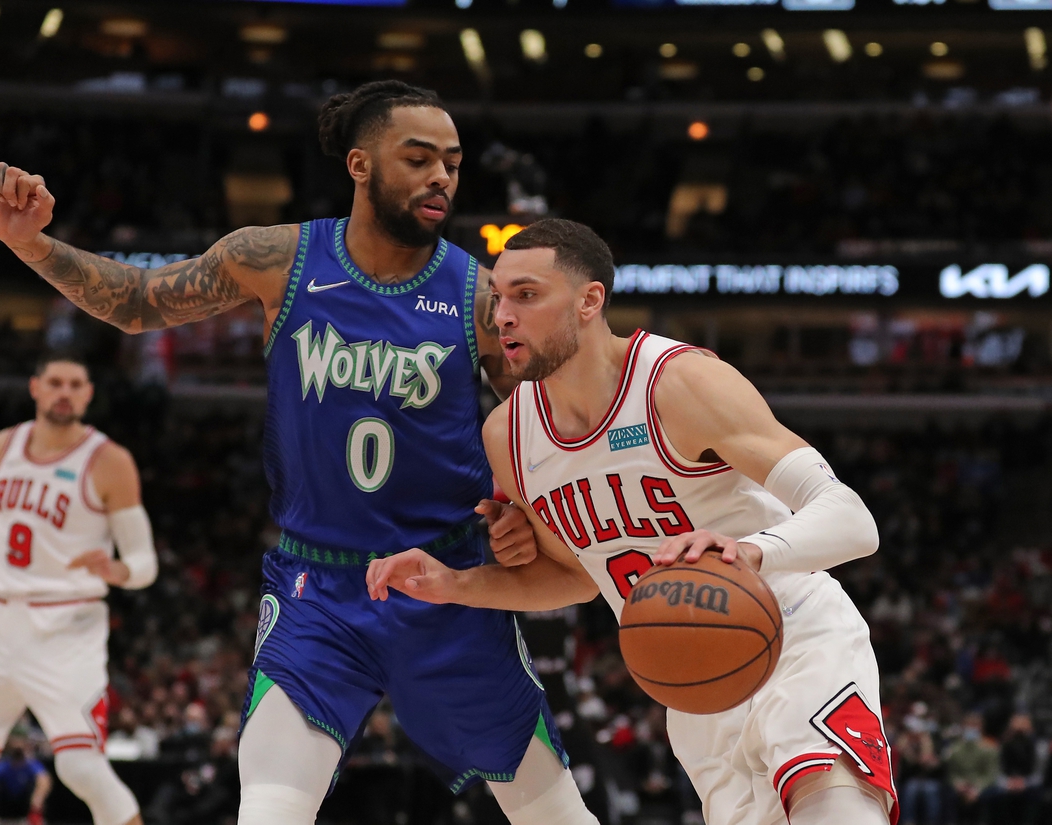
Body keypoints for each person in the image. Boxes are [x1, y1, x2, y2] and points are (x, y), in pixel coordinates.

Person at [0, 80, 596, 825]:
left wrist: (521, 514)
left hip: (448, 584)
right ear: (361, 164)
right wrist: (31, 244)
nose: (442, 176)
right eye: (419, 157)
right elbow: (142, 300)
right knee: (268, 812)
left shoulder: (476, 293)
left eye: (454, 162)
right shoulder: (279, 258)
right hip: (319, 593)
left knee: (559, 819)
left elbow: (534, 429)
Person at [368, 218, 900, 825]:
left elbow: (853, 519)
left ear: (590, 300)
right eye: (499, 299)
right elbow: (577, 577)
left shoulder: (680, 383)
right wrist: (454, 584)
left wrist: (749, 552)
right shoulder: (509, 436)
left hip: (795, 637)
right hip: (692, 687)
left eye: (527, 295)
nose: (503, 316)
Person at [0, 352, 157, 825]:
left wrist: (118, 570)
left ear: (87, 395)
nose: (65, 392)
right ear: (36, 388)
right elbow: (0, 527)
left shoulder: (109, 461)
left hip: (66, 626)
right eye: (56, 383)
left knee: (82, 769)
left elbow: (144, 563)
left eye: (75, 385)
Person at [0, 733, 52, 825]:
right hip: (3, 804)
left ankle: (34, 820)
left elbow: (44, 779)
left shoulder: (30, 763)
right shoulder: (4, 762)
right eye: (15, 741)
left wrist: (38, 797)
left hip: (22, 805)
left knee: (37, 794)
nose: (18, 744)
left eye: (20, 741)